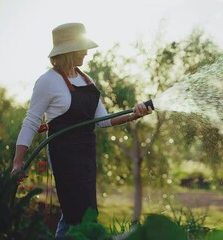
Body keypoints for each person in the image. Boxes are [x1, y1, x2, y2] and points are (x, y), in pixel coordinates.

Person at [10, 22, 152, 237]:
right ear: (68, 50)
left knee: (78, 214)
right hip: (64, 154)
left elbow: (102, 120)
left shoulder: (86, 80)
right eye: (82, 47)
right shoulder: (47, 82)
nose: (86, 52)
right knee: (78, 213)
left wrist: (135, 113)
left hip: (86, 153)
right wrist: (18, 162)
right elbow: (31, 121)